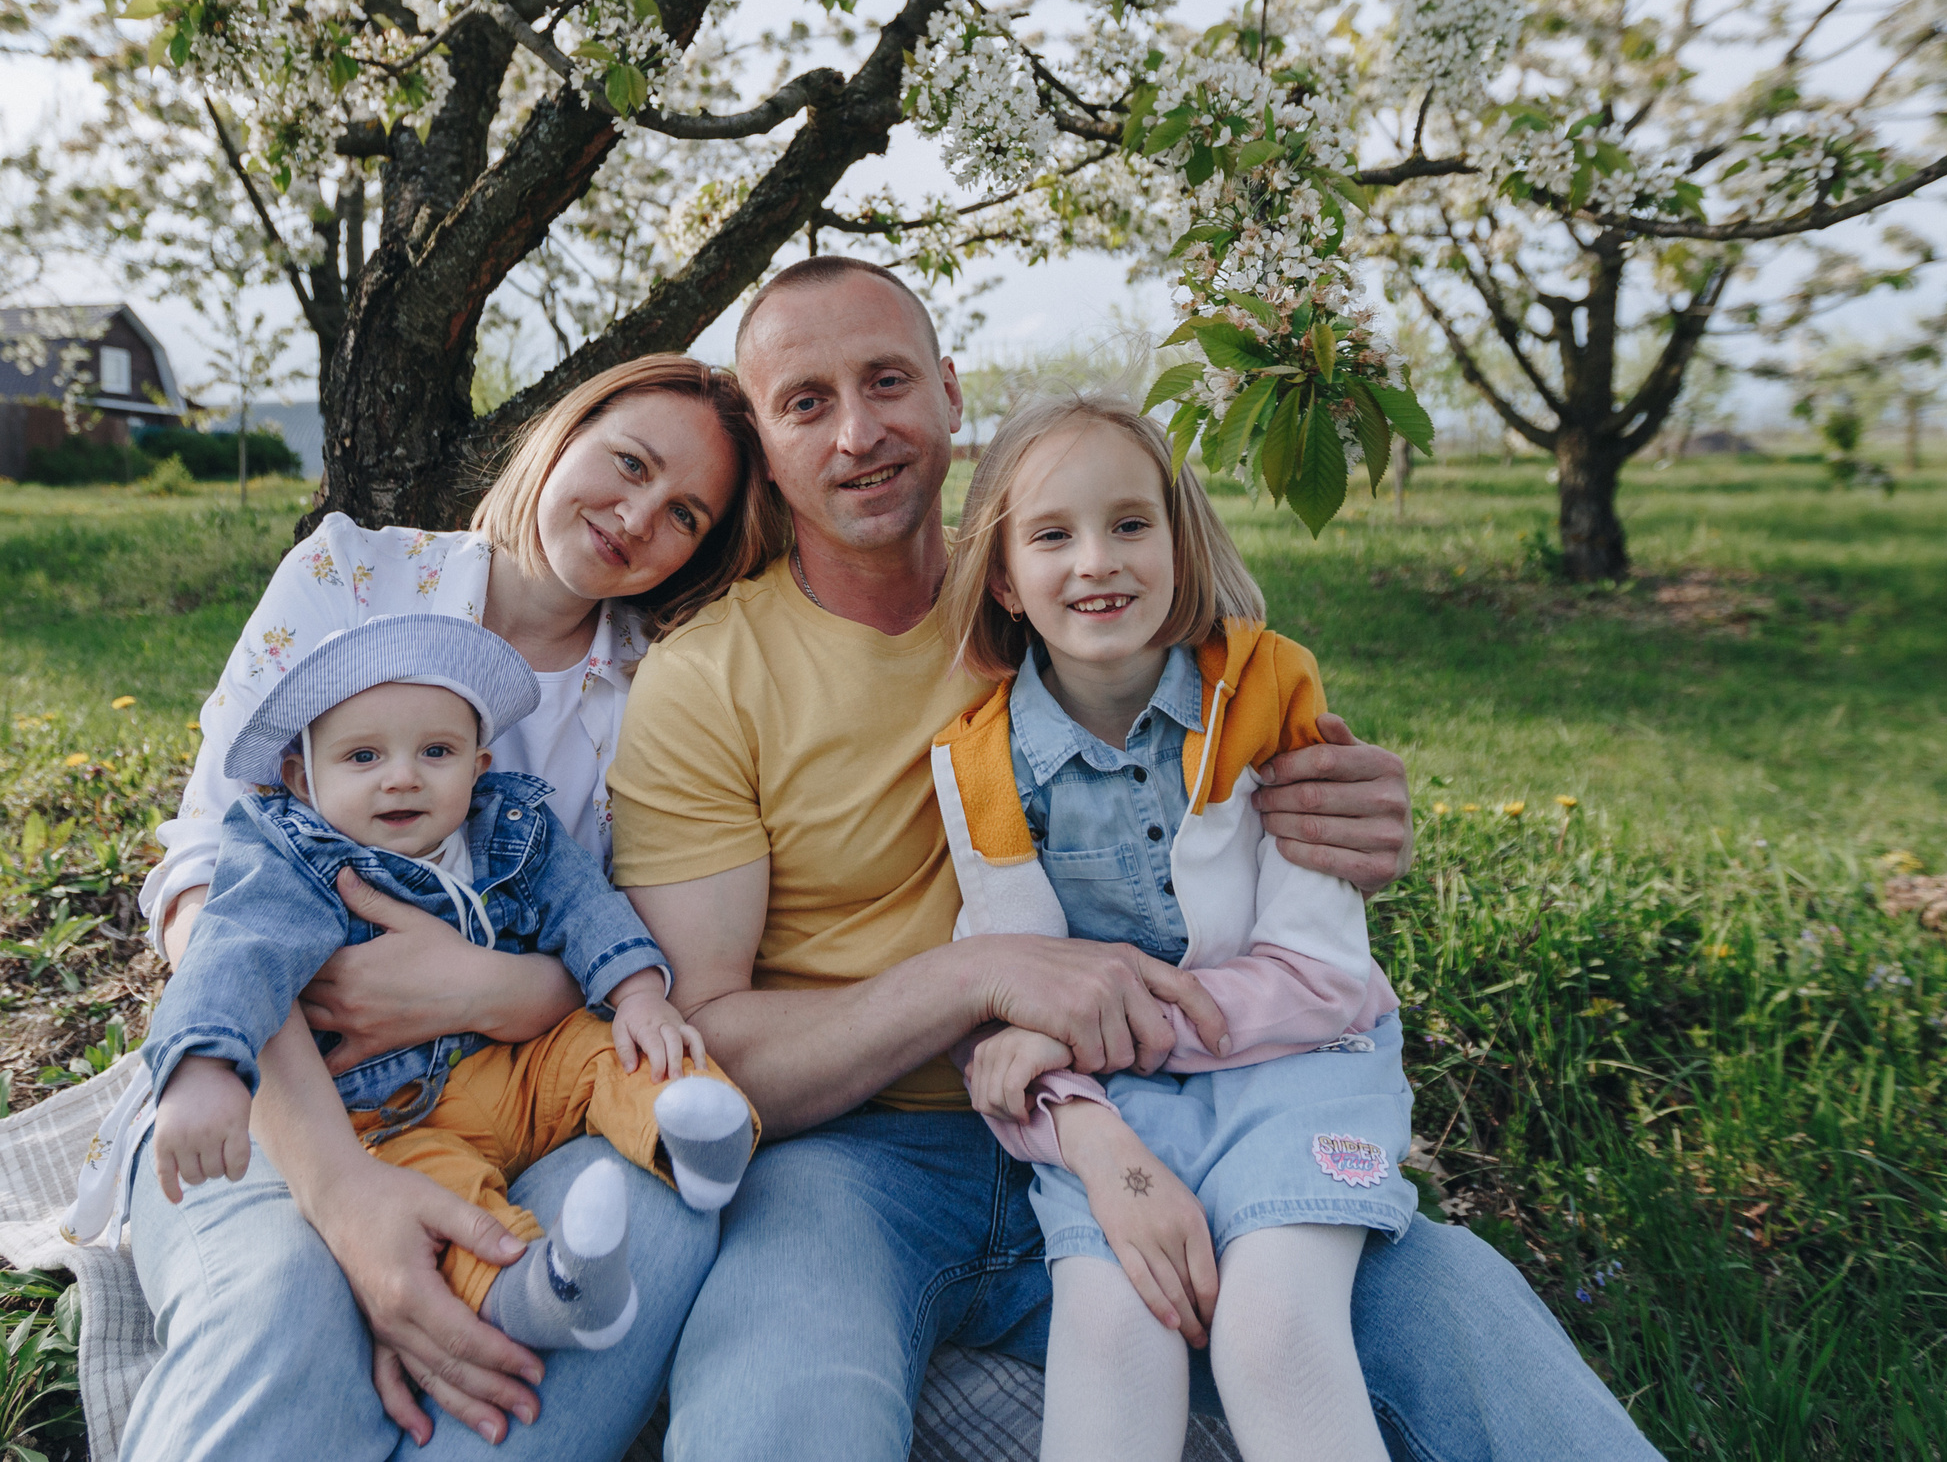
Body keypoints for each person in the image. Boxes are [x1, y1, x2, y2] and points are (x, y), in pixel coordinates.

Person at [609, 256, 1664, 1460]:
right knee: (776, 1397)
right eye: (806, 402)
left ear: (949, 391)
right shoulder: (710, 678)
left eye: (886, 380)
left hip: (1185, 1104)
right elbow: (711, 1047)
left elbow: (1252, 780)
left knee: (1453, 1317)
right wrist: (979, 979)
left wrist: (1350, 815)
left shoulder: (1074, 575)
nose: (857, 432)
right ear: (762, 437)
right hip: (864, 1160)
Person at [118, 353, 784, 1459]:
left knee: (660, 1225)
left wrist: (493, 989)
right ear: (561, 433)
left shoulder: (662, 684)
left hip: (512, 1089)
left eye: (684, 514)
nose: (635, 517)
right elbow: (210, 887)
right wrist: (345, 1198)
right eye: (628, 464)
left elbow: (623, 935)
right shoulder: (351, 578)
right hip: (284, 1089)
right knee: (285, 1307)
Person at [928, 391, 1415, 1462]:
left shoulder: (1268, 691)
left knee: (1273, 1331)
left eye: (1129, 523)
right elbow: (1009, 1024)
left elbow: (1325, 978)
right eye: (1052, 535)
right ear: (1003, 579)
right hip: (1120, 1107)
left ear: (1180, 544)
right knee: (1111, 1333)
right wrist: (1059, 1075)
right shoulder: (980, 764)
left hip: (1299, 1074)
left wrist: (1091, 1025)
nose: (1097, 560)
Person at [138, 613, 757, 1358]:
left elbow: (584, 905)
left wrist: (639, 991)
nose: (403, 776)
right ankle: (540, 1289)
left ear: (478, 765)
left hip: (519, 1066)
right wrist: (202, 1065)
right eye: (363, 756)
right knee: (435, 1193)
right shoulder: (295, 858)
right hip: (397, 1115)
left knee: (612, 1050)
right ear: (303, 778)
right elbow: (236, 951)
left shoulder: (512, 826)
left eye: (436, 751)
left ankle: (692, 1136)